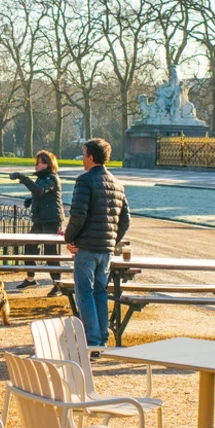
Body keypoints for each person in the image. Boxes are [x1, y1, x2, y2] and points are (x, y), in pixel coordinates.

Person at [64, 138, 130, 351]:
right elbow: (125, 220)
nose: (82, 159)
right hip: (106, 249)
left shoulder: (84, 181)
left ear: (91, 157)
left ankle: (92, 341)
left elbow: (78, 214)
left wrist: (69, 238)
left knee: (84, 293)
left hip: (87, 247)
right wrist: (112, 240)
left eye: (84, 155)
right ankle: (102, 337)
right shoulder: (117, 183)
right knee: (100, 292)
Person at [9, 150, 64, 294]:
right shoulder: (42, 178)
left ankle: (58, 284)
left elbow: (40, 190)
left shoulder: (52, 178)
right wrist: (31, 200)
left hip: (51, 219)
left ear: (46, 164)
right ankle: (30, 279)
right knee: (30, 246)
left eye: (38, 163)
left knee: (50, 252)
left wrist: (23, 178)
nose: (36, 166)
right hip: (40, 219)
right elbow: (40, 194)